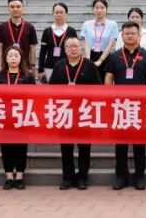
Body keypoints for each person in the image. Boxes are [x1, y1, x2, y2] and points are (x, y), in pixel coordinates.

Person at [103, 22, 146, 190]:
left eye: (133, 33)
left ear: (139, 36)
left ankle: (139, 176)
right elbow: (109, 77)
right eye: (126, 33)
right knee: (120, 143)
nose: (129, 36)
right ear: (122, 35)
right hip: (120, 106)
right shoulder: (115, 56)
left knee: (139, 143)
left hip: (140, 107)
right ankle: (121, 176)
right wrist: (109, 98)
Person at [49, 35, 101, 190]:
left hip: (84, 112)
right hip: (64, 113)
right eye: (70, 46)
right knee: (66, 148)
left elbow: (98, 88)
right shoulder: (59, 65)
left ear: (81, 48)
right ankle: (67, 178)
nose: (73, 49)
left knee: (84, 147)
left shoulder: (89, 65)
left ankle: (83, 177)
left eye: (76, 46)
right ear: (64, 49)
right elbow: (51, 88)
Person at [0, 46, 36, 190]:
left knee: (21, 147)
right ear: (5, 58)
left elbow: (34, 96)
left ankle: (20, 177)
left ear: (21, 58)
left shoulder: (28, 76)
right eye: (10, 55)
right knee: (6, 148)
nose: (13, 58)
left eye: (16, 55)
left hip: (22, 116)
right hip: (4, 117)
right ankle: (9, 177)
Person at [0, 0, 38, 72]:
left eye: (18, 7)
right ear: (8, 8)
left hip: (25, 67)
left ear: (23, 8)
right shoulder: (2, 27)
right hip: (6, 67)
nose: (15, 9)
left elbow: (32, 48)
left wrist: (32, 65)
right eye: (12, 7)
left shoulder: (30, 27)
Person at [39, 2, 79, 83]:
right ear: (53, 14)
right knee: (50, 89)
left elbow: (75, 51)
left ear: (66, 14)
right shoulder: (47, 31)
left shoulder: (71, 31)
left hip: (66, 67)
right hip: (49, 67)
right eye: (56, 12)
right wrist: (40, 70)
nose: (59, 15)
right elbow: (42, 52)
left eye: (61, 12)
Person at [81, 0, 119, 70]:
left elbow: (110, 45)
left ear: (106, 9)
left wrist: (100, 60)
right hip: (91, 56)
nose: (99, 10)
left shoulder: (113, 25)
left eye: (102, 8)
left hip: (106, 57)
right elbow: (86, 43)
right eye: (96, 8)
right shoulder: (86, 24)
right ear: (93, 9)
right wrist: (88, 60)